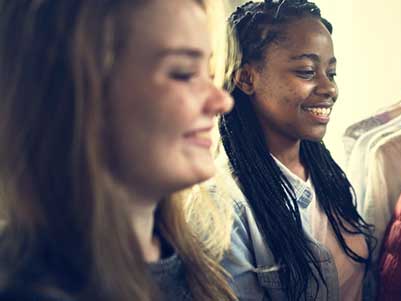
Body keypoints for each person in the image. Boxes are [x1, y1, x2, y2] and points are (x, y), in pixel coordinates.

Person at [0, 0, 237, 300]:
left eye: (211, 72)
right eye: (183, 72)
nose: (222, 102)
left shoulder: (193, 264)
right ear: (73, 91)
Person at [219, 0, 374, 300]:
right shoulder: (227, 207)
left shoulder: (330, 176)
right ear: (247, 78)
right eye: (306, 71)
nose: (329, 88)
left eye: (331, 72)